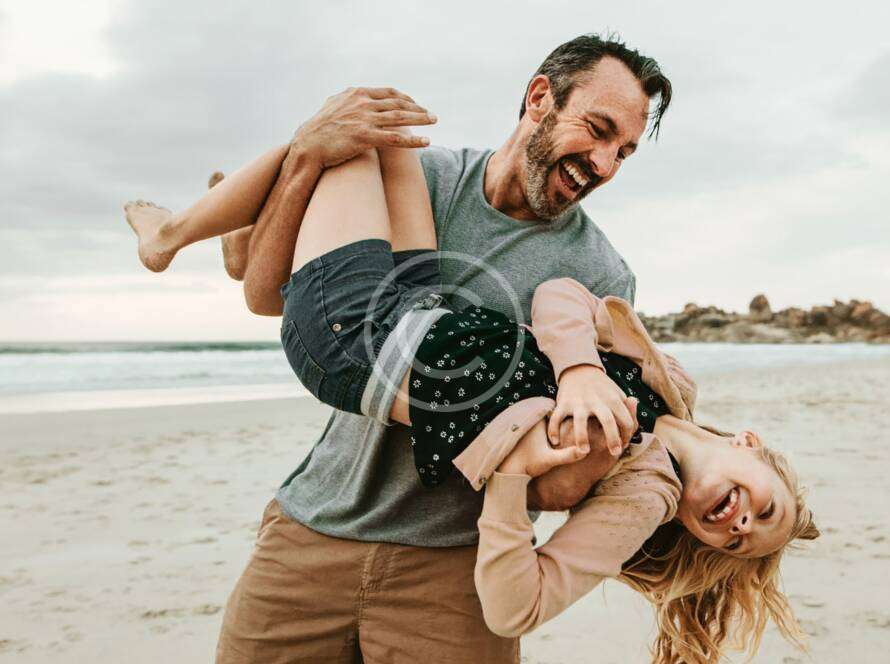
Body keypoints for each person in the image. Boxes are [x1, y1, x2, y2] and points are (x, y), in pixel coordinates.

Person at [126, 118, 818, 664]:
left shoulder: (644, 485)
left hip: (381, 388)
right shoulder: (668, 383)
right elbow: (561, 299)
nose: (741, 525)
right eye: (767, 510)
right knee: (375, 129)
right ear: (750, 445)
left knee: (335, 167)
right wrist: (578, 369)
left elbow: (538, 528)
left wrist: (517, 476)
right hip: (344, 464)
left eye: (737, 543)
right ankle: (242, 242)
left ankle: (184, 234)